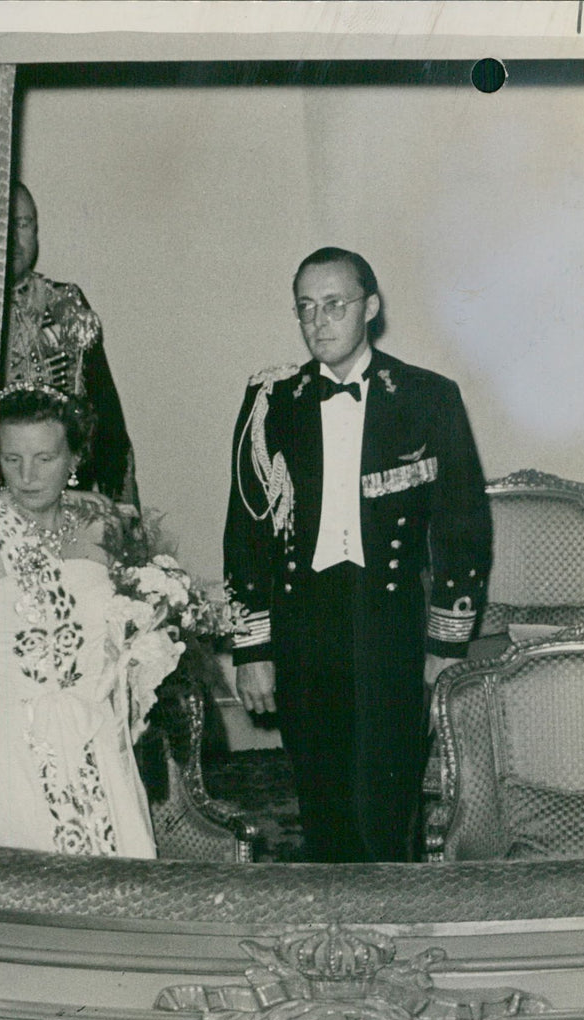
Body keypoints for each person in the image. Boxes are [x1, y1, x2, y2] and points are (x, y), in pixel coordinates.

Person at [224, 247, 492, 863]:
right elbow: (246, 532)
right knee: (320, 798)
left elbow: (463, 530)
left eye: (335, 305)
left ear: (369, 308)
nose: (319, 322)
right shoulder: (272, 402)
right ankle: (332, 939)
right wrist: (254, 649)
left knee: (385, 802)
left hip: (391, 619)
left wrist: (445, 647)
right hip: (303, 619)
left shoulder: (428, 396)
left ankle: (391, 935)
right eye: (306, 308)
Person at [0, 383, 178, 856]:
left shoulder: (102, 526)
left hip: (95, 739)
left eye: (45, 458)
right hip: (8, 749)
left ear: (74, 457)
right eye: (12, 459)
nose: (27, 476)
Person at [0, 183, 139, 505]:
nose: (13, 238)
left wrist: (124, 516)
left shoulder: (66, 303)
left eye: (23, 224)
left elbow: (107, 423)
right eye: (2, 225)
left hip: (66, 501)